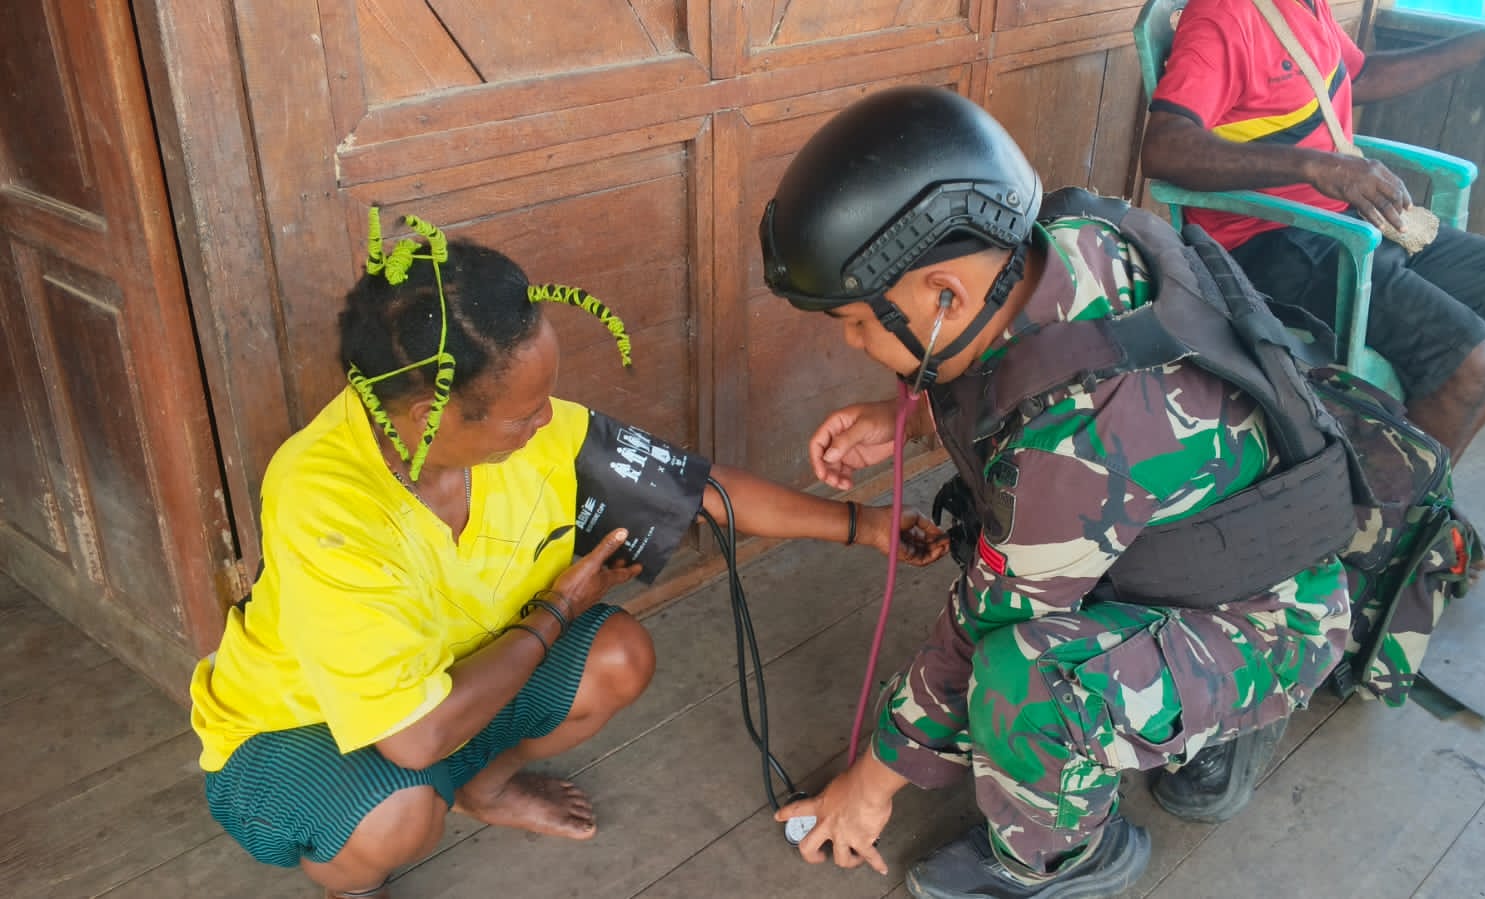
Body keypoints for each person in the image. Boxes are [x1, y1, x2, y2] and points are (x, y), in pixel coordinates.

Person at [187, 211, 945, 899]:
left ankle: (483, 785)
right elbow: (411, 737)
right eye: (523, 410)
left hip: (458, 681)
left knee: (618, 653)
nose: (548, 419)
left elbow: (699, 489)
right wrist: (555, 609)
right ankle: (351, 882)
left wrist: (866, 526)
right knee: (393, 813)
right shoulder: (325, 498)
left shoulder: (531, 432)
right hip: (291, 730)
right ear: (429, 415)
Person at [763, 86, 1353, 899]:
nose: (854, 343)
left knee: (1021, 682)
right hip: (1205, 542)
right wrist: (907, 418)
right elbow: (1032, 363)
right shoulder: (1069, 235)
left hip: (1267, 612)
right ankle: (1184, 718)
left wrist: (867, 787)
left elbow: (977, 630)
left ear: (942, 296)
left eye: (859, 324)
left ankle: (1065, 860)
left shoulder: (1076, 454)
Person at [1142, 2, 1485, 460]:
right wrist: (1317, 165)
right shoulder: (1227, 14)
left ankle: (1414, 483)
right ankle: (1397, 508)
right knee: (1472, 359)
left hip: (1348, 221)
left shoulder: (1307, 6)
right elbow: (1166, 148)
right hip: (1267, 243)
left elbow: (1354, 77)